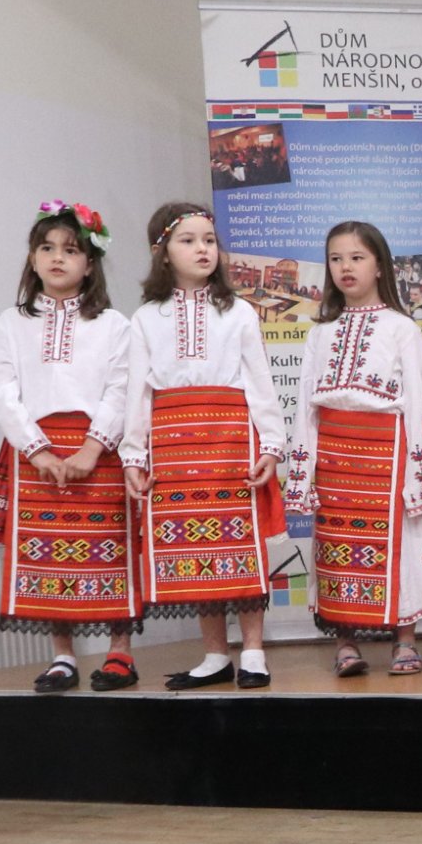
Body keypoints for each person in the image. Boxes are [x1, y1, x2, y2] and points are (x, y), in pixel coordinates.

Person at [120, 203, 284, 690]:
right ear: (163, 252)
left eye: (209, 240)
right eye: (188, 240)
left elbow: (260, 382)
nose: (202, 249)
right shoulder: (145, 318)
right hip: (173, 443)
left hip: (231, 438)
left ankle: (252, 651)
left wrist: (271, 444)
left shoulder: (239, 311)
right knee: (196, 549)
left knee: (240, 546)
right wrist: (134, 454)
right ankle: (215, 654)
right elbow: (138, 391)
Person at [0, 200, 140, 692]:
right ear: (32, 259)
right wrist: (36, 449)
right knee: (47, 554)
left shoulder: (114, 324)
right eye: (46, 248)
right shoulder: (12, 322)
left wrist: (92, 448)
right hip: (37, 450)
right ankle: (63, 657)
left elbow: (123, 388)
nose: (57, 258)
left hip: (99, 451)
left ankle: (120, 653)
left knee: (111, 552)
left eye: (70, 250)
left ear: (89, 264)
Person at [285, 221, 422, 676]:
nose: (346, 267)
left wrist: (419, 467)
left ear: (378, 266)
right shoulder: (320, 333)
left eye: (357, 257)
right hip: (334, 454)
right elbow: (305, 406)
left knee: (401, 544)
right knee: (337, 544)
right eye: (336, 259)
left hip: (387, 454)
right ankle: (345, 642)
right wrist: (305, 468)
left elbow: (417, 400)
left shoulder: (401, 328)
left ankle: (405, 642)